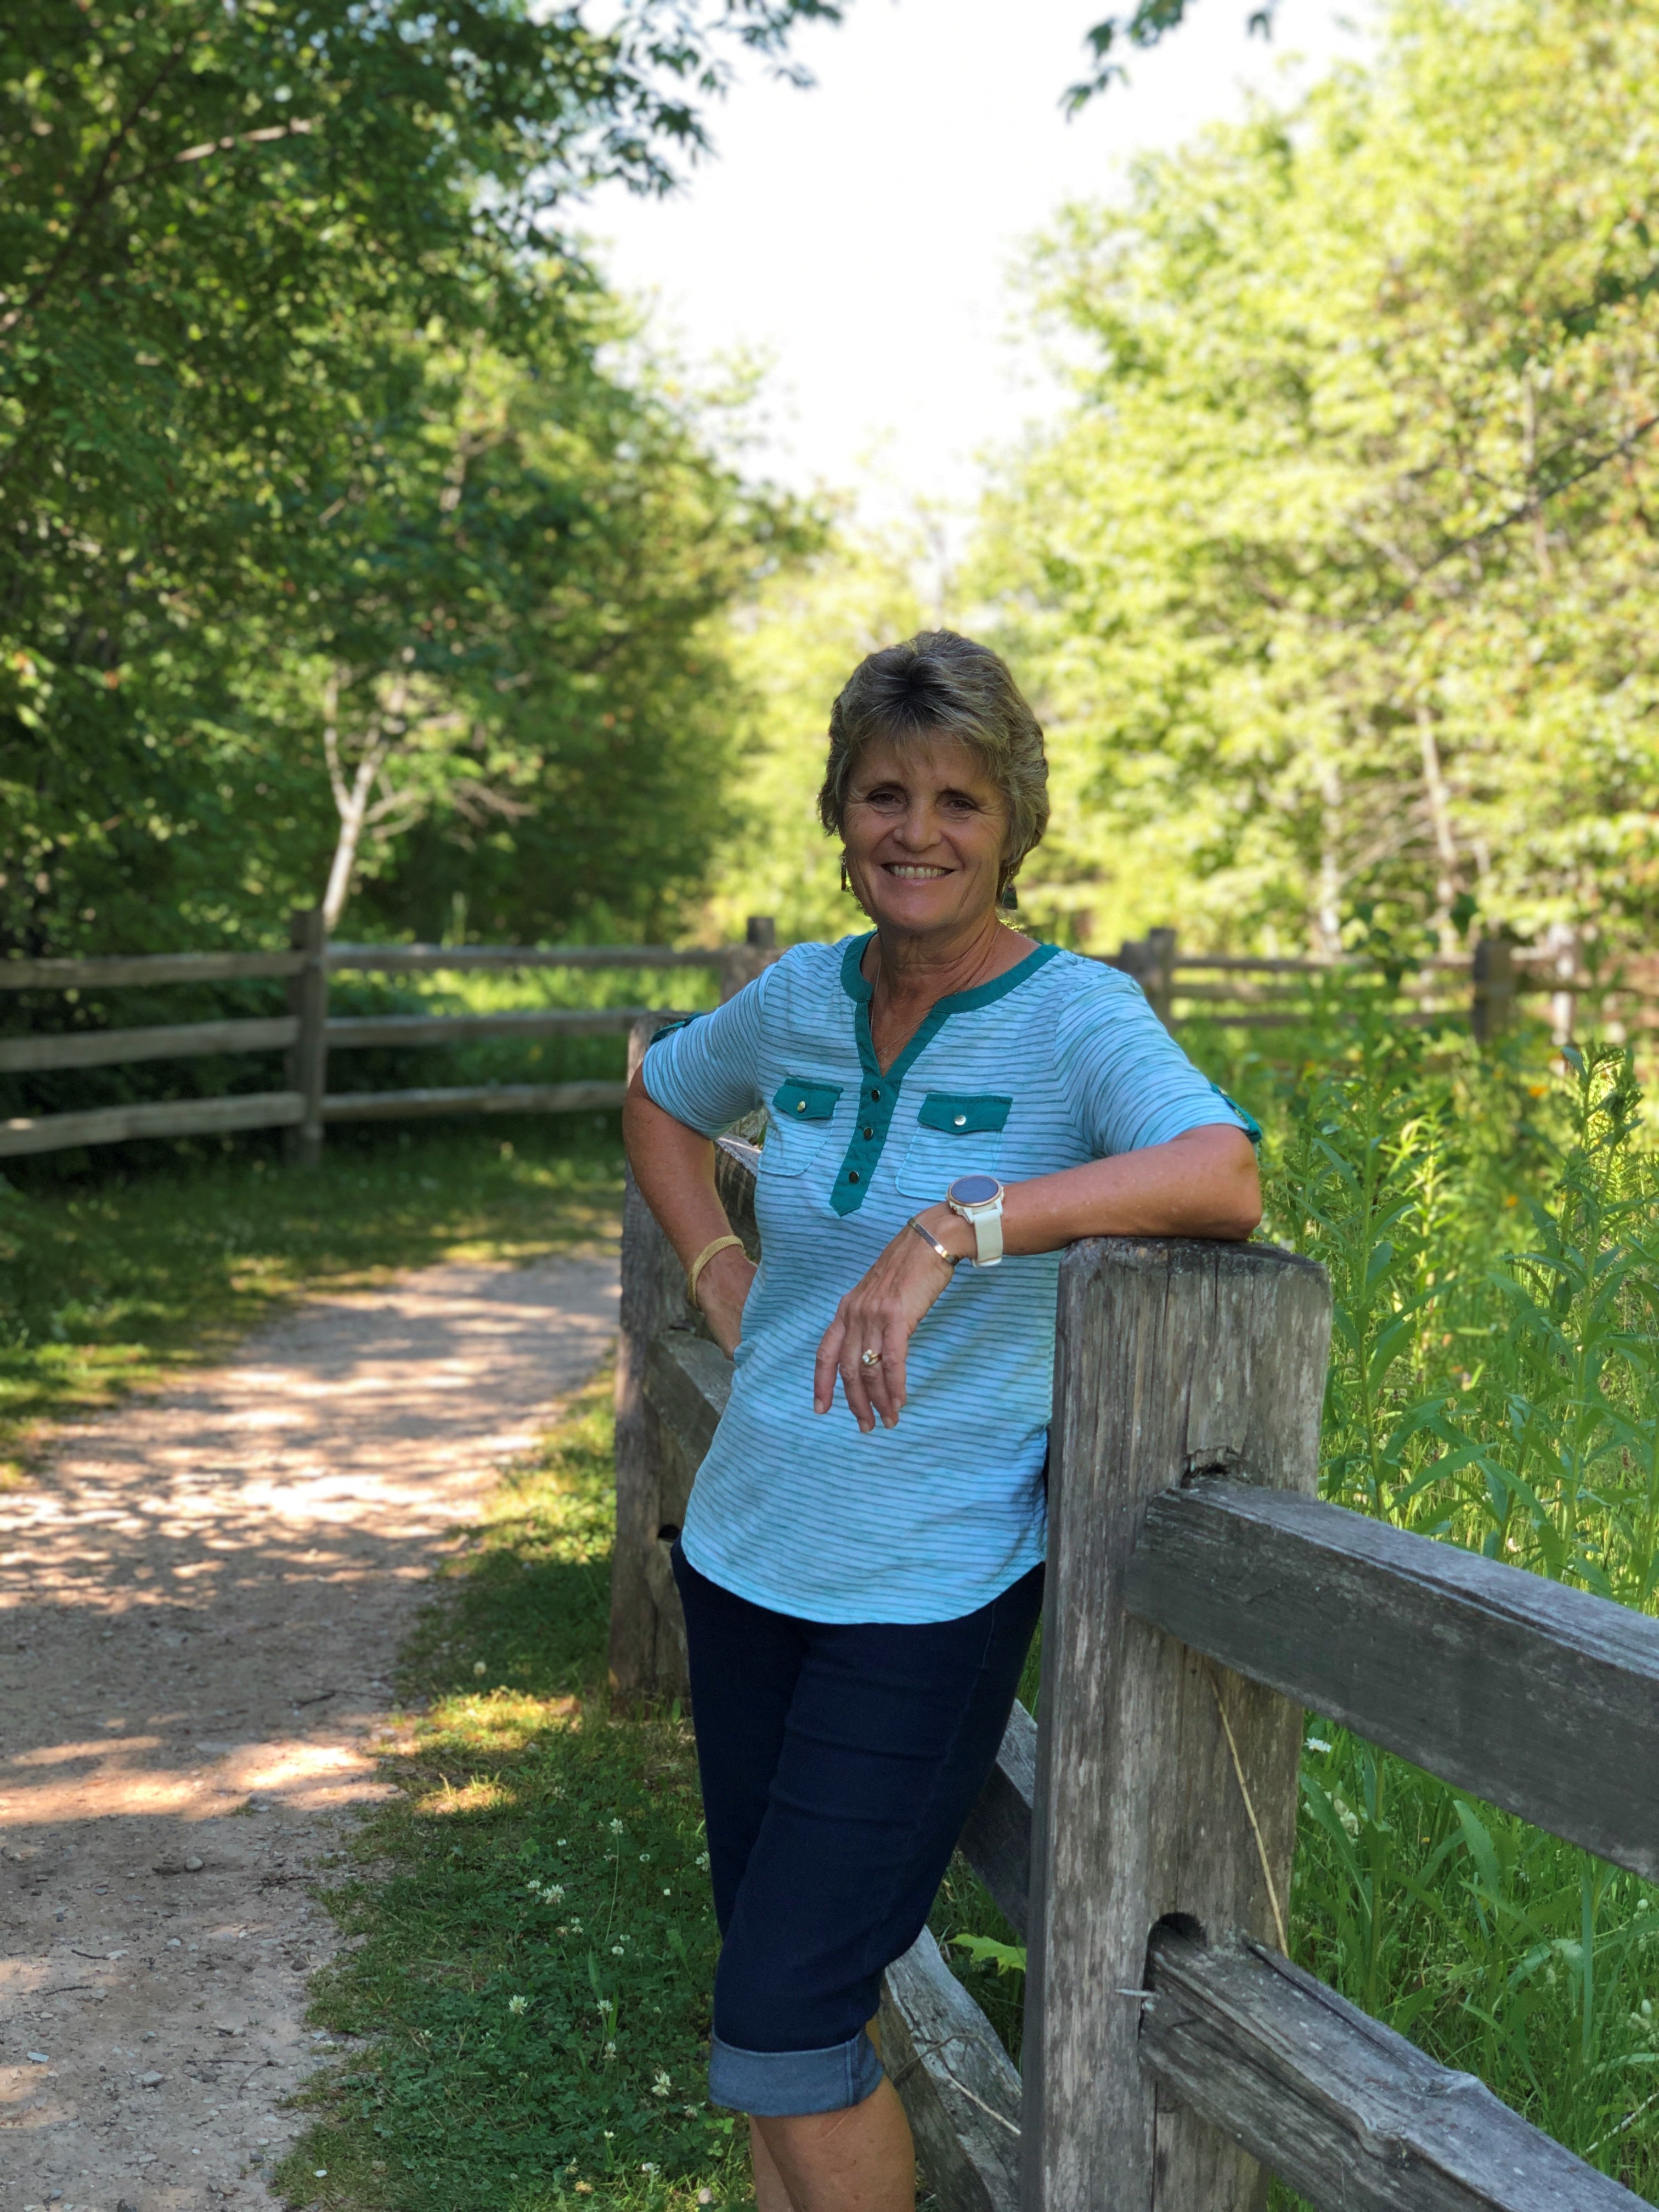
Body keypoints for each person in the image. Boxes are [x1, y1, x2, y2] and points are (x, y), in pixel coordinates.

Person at [623, 630, 1261, 2212]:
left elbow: (1221, 1175)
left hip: (923, 1595)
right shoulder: (800, 996)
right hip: (746, 1554)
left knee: (781, 2019)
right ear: (841, 814)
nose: (918, 833)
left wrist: (954, 1227)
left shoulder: (1075, 1016)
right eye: (885, 795)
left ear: (1014, 821)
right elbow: (659, 1097)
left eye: (959, 801)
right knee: (785, 2001)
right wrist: (713, 1263)